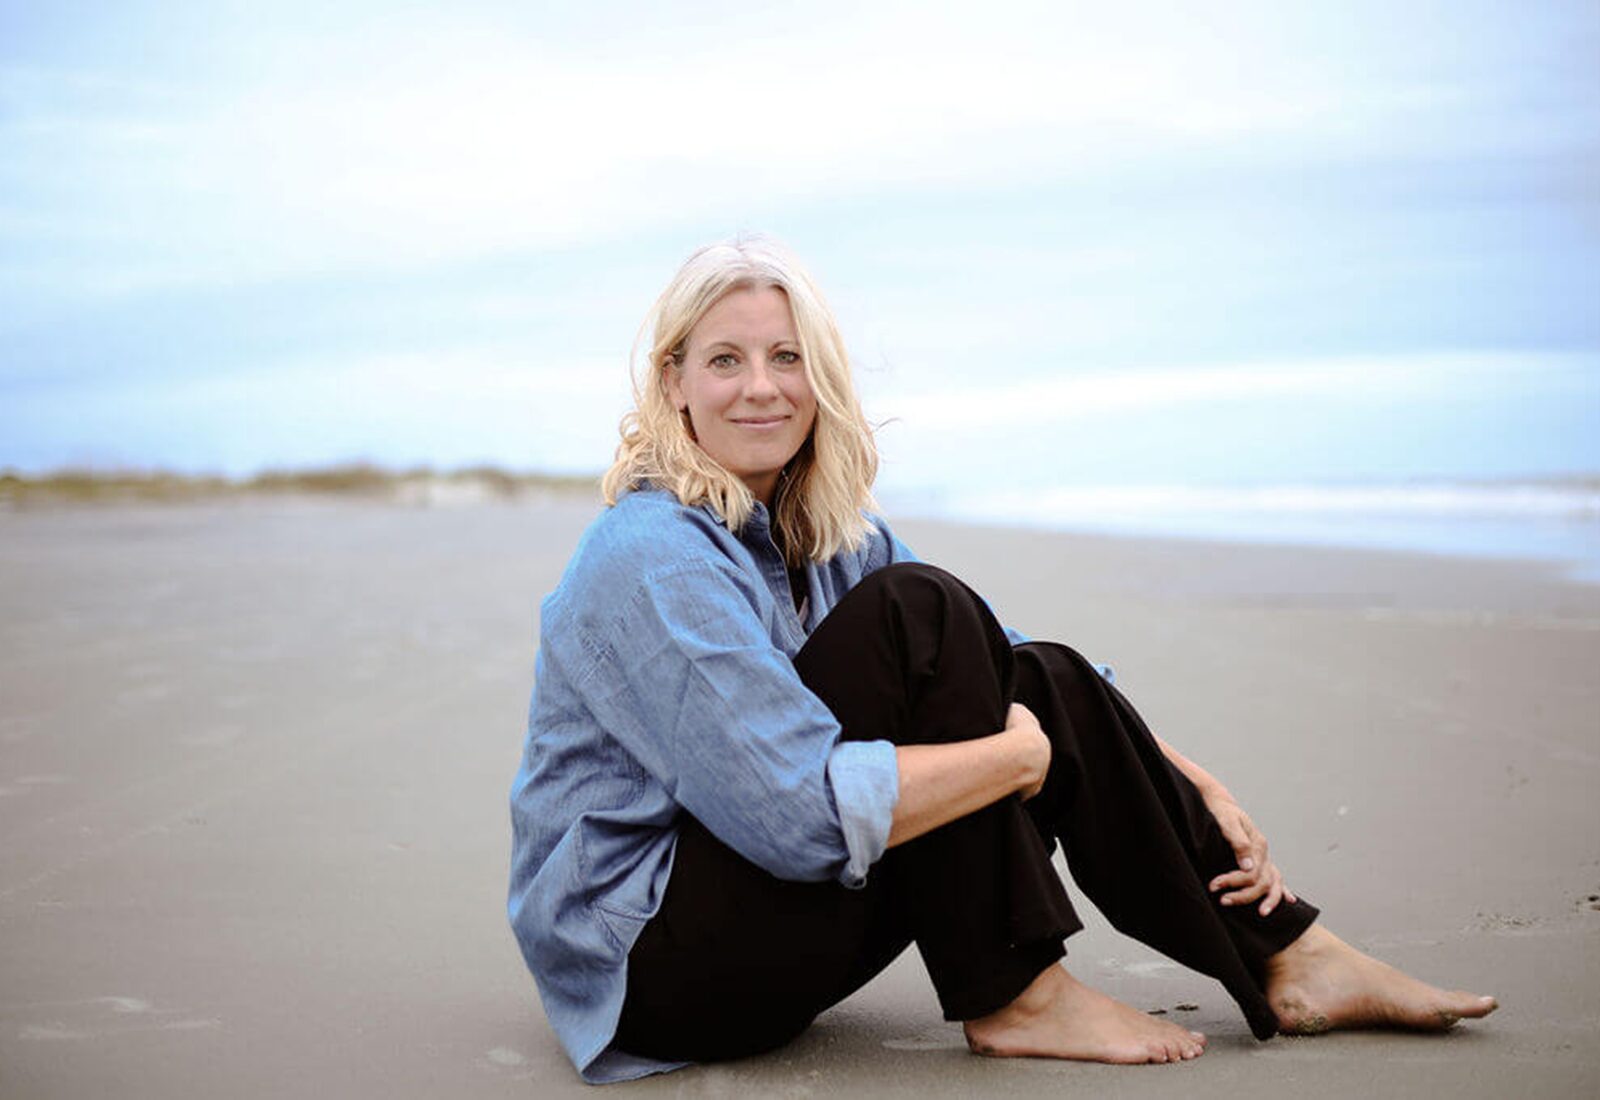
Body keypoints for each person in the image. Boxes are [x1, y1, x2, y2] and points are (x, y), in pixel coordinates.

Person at [506, 237, 1497, 1084]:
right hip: (658, 975)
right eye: (725, 359)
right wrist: (1017, 763)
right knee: (924, 612)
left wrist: (1184, 772)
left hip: (763, 933)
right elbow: (796, 816)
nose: (760, 385)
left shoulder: (833, 533)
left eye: (786, 357)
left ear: (823, 379)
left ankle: (1292, 954)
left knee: (1035, 670)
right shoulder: (649, 554)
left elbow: (1005, 657)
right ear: (672, 379)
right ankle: (1019, 993)